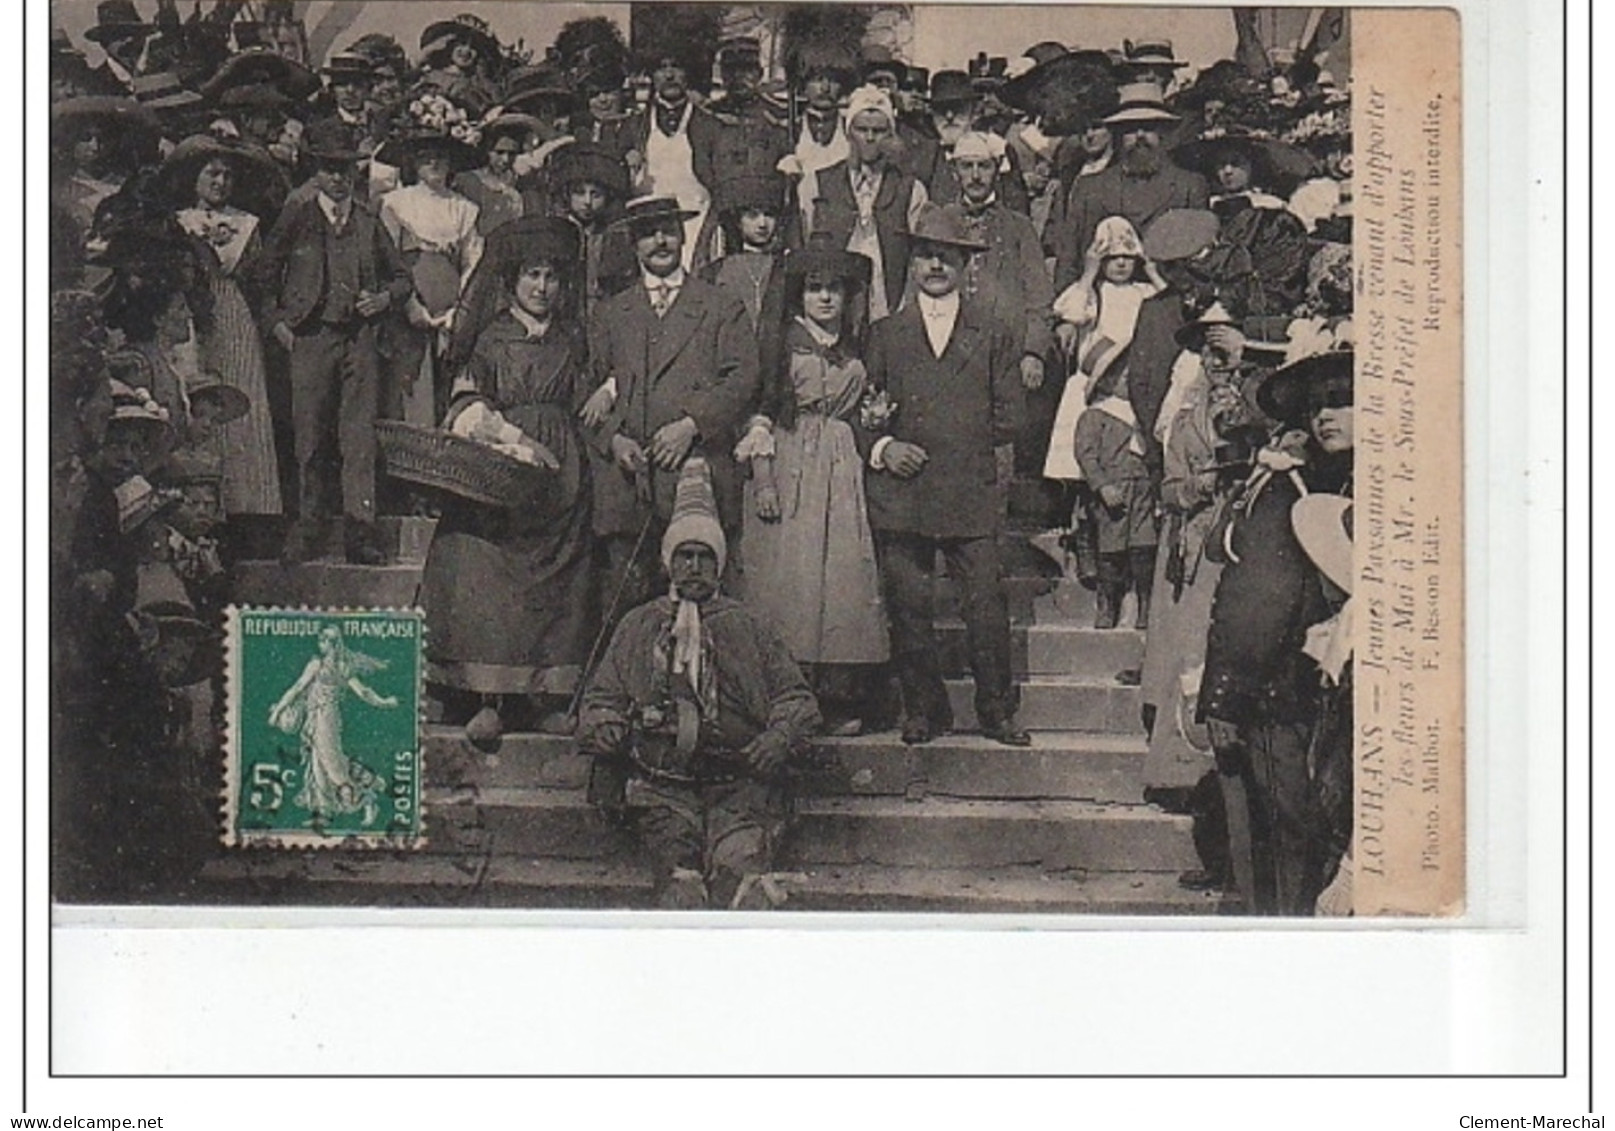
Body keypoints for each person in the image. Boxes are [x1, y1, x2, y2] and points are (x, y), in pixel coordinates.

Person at [578, 458, 821, 909]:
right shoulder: (639, 625)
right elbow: (601, 699)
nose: (693, 566)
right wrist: (606, 725)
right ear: (669, 563)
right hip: (661, 784)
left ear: (719, 565)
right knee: (679, 879)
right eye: (683, 557)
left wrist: (778, 737)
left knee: (742, 871)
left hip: (739, 784)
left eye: (703, 557)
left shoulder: (749, 626)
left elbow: (797, 698)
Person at [854, 205, 1030, 747]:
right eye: (926, 254)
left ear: (964, 264)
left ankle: (996, 710)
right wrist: (885, 446)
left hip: (967, 489)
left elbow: (1011, 416)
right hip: (901, 493)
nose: (935, 265)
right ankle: (923, 710)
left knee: (984, 605)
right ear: (911, 262)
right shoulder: (883, 334)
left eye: (946, 256)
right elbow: (858, 412)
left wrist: (961, 441)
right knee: (909, 608)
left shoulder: (993, 330)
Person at [420, 219, 596, 743]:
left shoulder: (571, 339)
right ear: (512, 281)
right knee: (481, 566)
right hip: (500, 472)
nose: (542, 288)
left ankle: (541, 697)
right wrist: (517, 443)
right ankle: (482, 695)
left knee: (559, 581)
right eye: (531, 277)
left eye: (551, 278)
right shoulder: (490, 338)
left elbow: (590, 391)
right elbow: (465, 405)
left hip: (563, 475)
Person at [1200, 348, 1353, 915]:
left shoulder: (1386, 487)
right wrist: (1225, 698)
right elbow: (1252, 609)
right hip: (1282, 695)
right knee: (1291, 837)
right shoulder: (1286, 490)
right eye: (1316, 406)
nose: (1325, 416)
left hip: (1349, 705)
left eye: (1341, 401)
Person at [736, 239, 888, 732]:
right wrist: (762, 479)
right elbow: (759, 411)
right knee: (791, 584)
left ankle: (834, 700)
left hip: (841, 467)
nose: (825, 299)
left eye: (835, 290)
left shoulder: (853, 346)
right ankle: (782, 700)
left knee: (841, 583)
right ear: (798, 295)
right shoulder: (781, 344)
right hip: (791, 461)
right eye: (815, 289)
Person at [584, 196, 760, 618]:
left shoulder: (720, 305)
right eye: (648, 233)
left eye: (668, 230)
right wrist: (613, 439)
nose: (660, 241)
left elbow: (743, 378)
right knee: (622, 606)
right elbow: (586, 387)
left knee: (702, 609)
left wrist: (692, 424)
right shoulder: (611, 312)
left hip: (697, 476)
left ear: (682, 236)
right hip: (627, 485)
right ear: (634, 244)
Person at [250, 119, 412, 565]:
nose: (338, 178)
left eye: (345, 169)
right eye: (328, 169)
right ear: (315, 171)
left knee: (358, 439)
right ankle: (307, 529)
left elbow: (402, 279)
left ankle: (361, 534)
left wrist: (382, 298)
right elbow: (263, 276)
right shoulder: (298, 217)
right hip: (311, 338)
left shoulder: (366, 221)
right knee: (310, 438)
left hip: (359, 341)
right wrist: (279, 325)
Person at [158, 135, 283, 520]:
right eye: (212, 173)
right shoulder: (179, 220)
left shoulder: (247, 223)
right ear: (194, 177)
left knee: (240, 395)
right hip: (192, 313)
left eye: (227, 175)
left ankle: (246, 503)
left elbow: (261, 279)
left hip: (233, 310)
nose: (220, 182)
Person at [1050, 81, 1209, 292]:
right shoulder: (1090, 188)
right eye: (1131, 129)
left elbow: (1199, 264)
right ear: (1117, 135)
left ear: (1163, 133)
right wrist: (1066, 317)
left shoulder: (1189, 186)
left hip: (1168, 307)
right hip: (1104, 308)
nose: (1140, 136)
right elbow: (1069, 261)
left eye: (1149, 127)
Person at [377, 130, 485, 426]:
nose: (434, 163)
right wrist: (412, 307)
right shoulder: (396, 203)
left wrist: (458, 311)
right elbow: (388, 261)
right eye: (426, 158)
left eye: (441, 157)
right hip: (407, 312)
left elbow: (472, 264)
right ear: (414, 163)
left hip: (452, 316)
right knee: (409, 390)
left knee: (448, 389)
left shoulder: (464, 208)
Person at [803, 85, 930, 321]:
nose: (870, 138)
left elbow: (917, 257)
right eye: (862, 129)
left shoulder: (911, 190)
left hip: (888, 307)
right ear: (849, 131)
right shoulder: (816, 183)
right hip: (833, 306)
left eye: (879, 130)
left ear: (891, 135)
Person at [268, 624, 398, 826]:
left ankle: (365, 800)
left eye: (325, 640)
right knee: (319, 763)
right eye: (321, 640)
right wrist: (384, 702)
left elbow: (361, 691)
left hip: (326, 718)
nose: (321, 644)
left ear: (333, 644)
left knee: (332, 765)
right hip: (317, 718)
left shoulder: (330, 666)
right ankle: (325, 812)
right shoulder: (329, 665)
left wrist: (383, 702)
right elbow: (299, 688)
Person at [617, 49, 720, 271]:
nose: (669, 75)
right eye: (661, 68)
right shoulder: (632, 128)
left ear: (688, 73)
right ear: (652, 75)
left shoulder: (712, 127)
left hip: (697, 231)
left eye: (676, 66)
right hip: (648, 233)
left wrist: (705, 243)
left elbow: (721, 194)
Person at [453, 113, 537, 237]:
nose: (505, 159)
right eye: (499, 152)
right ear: (488, 151)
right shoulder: (467, 181)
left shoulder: (517, 190)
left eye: (511, 154)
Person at [415, 13, 502, 118]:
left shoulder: (481, 83)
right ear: (449, 45)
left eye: (473, 47)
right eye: (461, 44)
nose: (466, 51)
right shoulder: (433, 77)